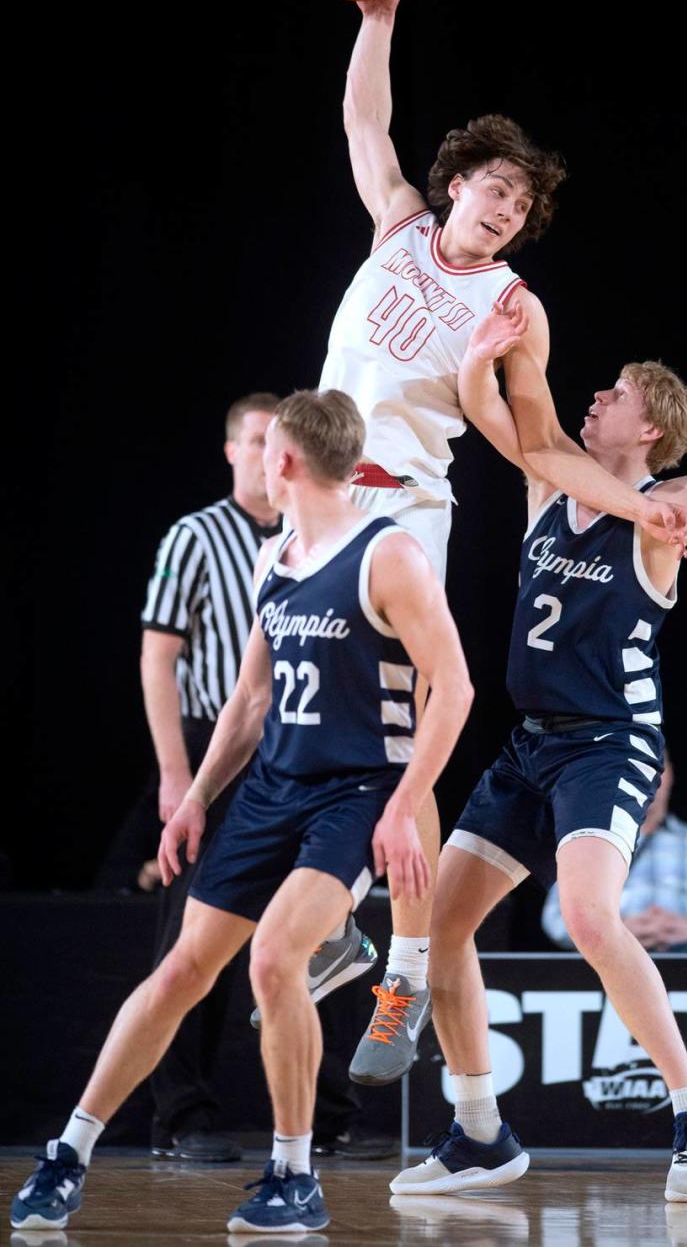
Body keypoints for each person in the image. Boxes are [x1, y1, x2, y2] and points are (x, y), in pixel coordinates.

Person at [318, 0, 687, 1087]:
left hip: (405, 506)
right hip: (325, 499)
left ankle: (408, 957)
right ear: (456, 185)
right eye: (493, 189)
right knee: (309, 719)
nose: (506, 208)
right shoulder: (397, 222)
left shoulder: (513, 309)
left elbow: (538, 449)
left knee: (421, 720)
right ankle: (343, 912)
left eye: (523, 203)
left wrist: (642, 503)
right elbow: (361, 116)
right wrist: (378, 19)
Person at [10, 389, 473, 1234]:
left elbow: (457, 687)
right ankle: (68, 1152)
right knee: (183, 971)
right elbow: (251, 696)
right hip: (271, 787)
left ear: (284, 460)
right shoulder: (277, 557)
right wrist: (193, 796)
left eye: (267, 447)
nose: (261, 457)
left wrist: (406, 804)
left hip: (355, 791)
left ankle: (293, 1175)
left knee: (270, 960)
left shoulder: (389, 554)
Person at [390, 255, 687, 1204]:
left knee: (585, 914)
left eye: (611, 394)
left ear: (648, 424)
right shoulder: (549, 488)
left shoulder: (664, 513)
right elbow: (491, 418)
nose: (594, 400)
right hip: (529, 742)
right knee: (441, 929)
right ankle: (480, 1130)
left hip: (609, 741)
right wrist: (483, 358)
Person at [140, 391, 282, 1160]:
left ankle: (320, 1111)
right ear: (232, 450)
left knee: (304, 928)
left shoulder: (306, 533)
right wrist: (175, 774)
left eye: (276, 439)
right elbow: (157, 658)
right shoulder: (195, 535)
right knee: (190, 934)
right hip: (211, 749)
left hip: (292, 747)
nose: (267, 453)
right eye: (255, 439)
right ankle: (179, 1113)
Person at [541, 753, 687, 953]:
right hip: (613, 956)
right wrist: (614, 930)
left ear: (668, 775)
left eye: (653, 768)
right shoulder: (590, 845)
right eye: (634, 768)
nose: (644, 779)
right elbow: (555, 919)